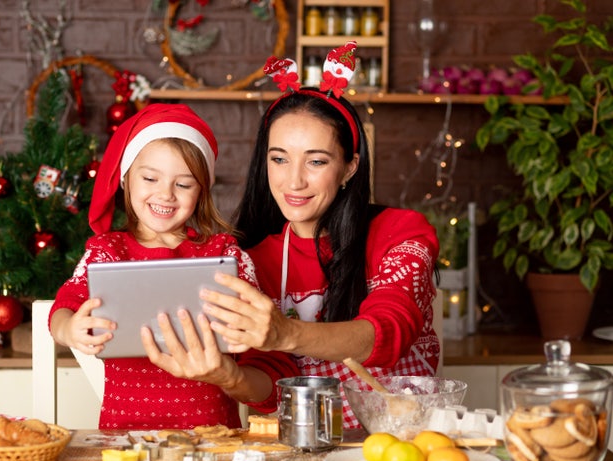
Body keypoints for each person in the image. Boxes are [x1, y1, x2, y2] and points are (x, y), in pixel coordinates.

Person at [199, 45, 442, 429]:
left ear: (349, 167)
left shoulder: (400, 232)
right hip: (301, 446)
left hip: (397, 442)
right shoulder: (247, 259)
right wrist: (228, 377)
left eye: (316, 161)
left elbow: (391, 333)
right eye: (279, 159)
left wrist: (286, 332)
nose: (294, 181)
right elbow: (269, 389)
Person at [49, 103, 299, 430]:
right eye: (150, 178)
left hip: (212, 436)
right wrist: (69, 329)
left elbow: (261, 333)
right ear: (126, 179)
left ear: (201, 191)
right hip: (126, 437)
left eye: (183, 184)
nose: (165, 194)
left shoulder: (225, 254)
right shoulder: (108, 251)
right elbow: (63, 306)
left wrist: (243, 331)